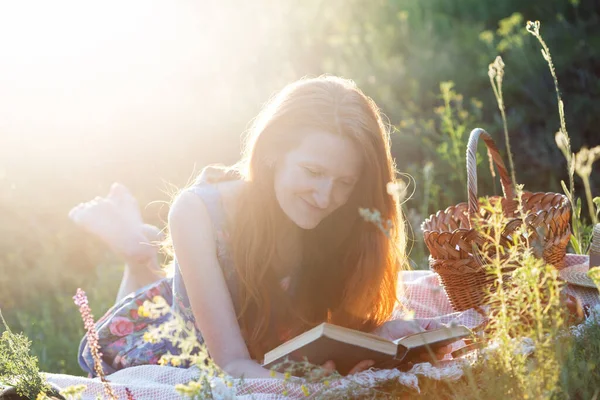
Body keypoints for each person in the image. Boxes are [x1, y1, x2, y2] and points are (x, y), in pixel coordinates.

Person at [72, 75, 451, 379]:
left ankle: (144, 245)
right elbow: (232, 364)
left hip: (264, 329)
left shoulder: (347, 215)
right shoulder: (197, 211)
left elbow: (346, 324)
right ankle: (137, 251)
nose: (325, 197)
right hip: (189, 332)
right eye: (313, 172)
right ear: (272, 154)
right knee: (168, 269)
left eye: (344, 182)